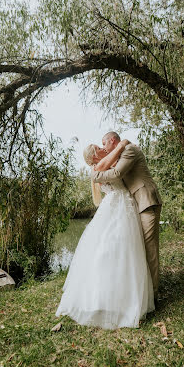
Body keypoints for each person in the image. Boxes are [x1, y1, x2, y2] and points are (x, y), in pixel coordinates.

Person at [55, 140, 155, 330]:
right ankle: (110, 300)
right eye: (99, 149)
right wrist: (122, 143)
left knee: (123, 250)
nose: (102, 150)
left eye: (102, 147)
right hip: (117, 206)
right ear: (94, 157)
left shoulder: (102, 164)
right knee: (114, 248)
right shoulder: (99, 166)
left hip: (121, 204)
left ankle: (121, 296)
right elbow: (115, 166)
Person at [92, 132, 162, 301]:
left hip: (146, 201)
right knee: (138, 248)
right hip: (136, 204)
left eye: (104, 143)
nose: (103, 147)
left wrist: (95, 176)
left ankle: (153, 294)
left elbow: (117, 174)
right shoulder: (122, 152)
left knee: (149, 248)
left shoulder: (129, 150)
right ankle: (142, 290)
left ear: (112, 141)